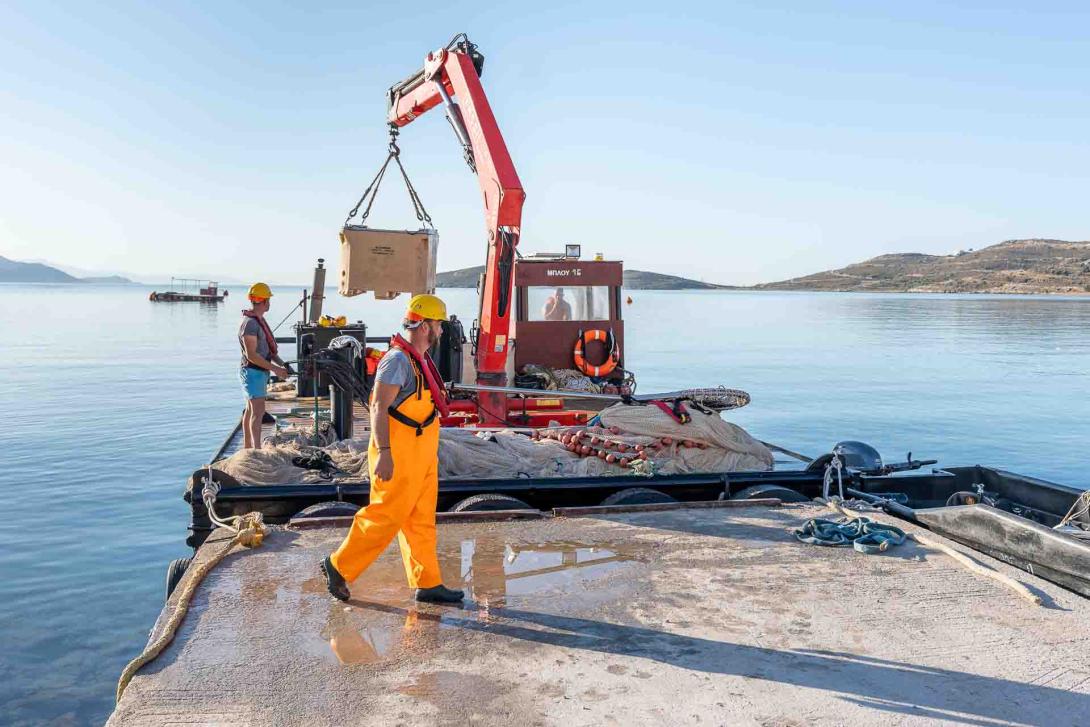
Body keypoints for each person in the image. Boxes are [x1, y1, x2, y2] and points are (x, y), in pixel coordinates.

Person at [320, 294, 464, 605]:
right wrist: (384, 452)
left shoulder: (419, 358)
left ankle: (428, 583)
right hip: (398, 455)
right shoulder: (397, 360)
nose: (441, 331)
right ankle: (338, 565)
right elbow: (377, 406)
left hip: (421, 454)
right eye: (438, 324)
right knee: (385, 515)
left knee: (421, 519)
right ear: (425, 325)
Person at [238, 282, 290, 449]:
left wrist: (283, 365)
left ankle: (248, 447)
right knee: (257, 412)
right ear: (264, 301)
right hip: (253, 372)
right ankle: (256, 450)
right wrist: (276, 369)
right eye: (268, 299)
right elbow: (251, 355)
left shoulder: (257, 320)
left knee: (250, 410)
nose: (269, 303)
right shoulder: (250, 323)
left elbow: (268, 351)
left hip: (256, 372)